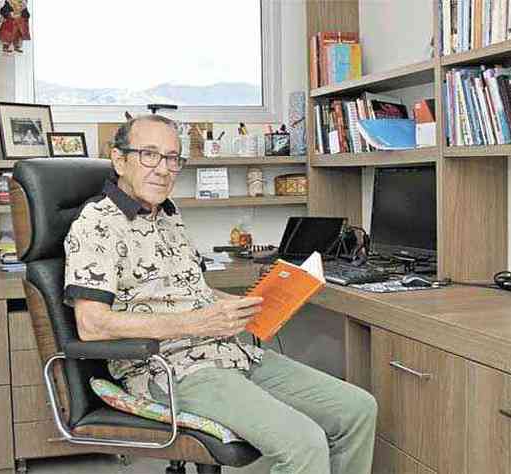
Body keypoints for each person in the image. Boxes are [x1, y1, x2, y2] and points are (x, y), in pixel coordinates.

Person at [63, 114, 377, 474]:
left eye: (171, 158)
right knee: (304, 443)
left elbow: (191, 291)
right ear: (120, 160)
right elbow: (91, 325)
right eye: (149, 155)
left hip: (230, 353)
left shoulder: (168, 215)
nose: (163, 169)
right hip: (169, 369)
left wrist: (242, 304)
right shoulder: (96, 225)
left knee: (357, 409)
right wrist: (195, 322)